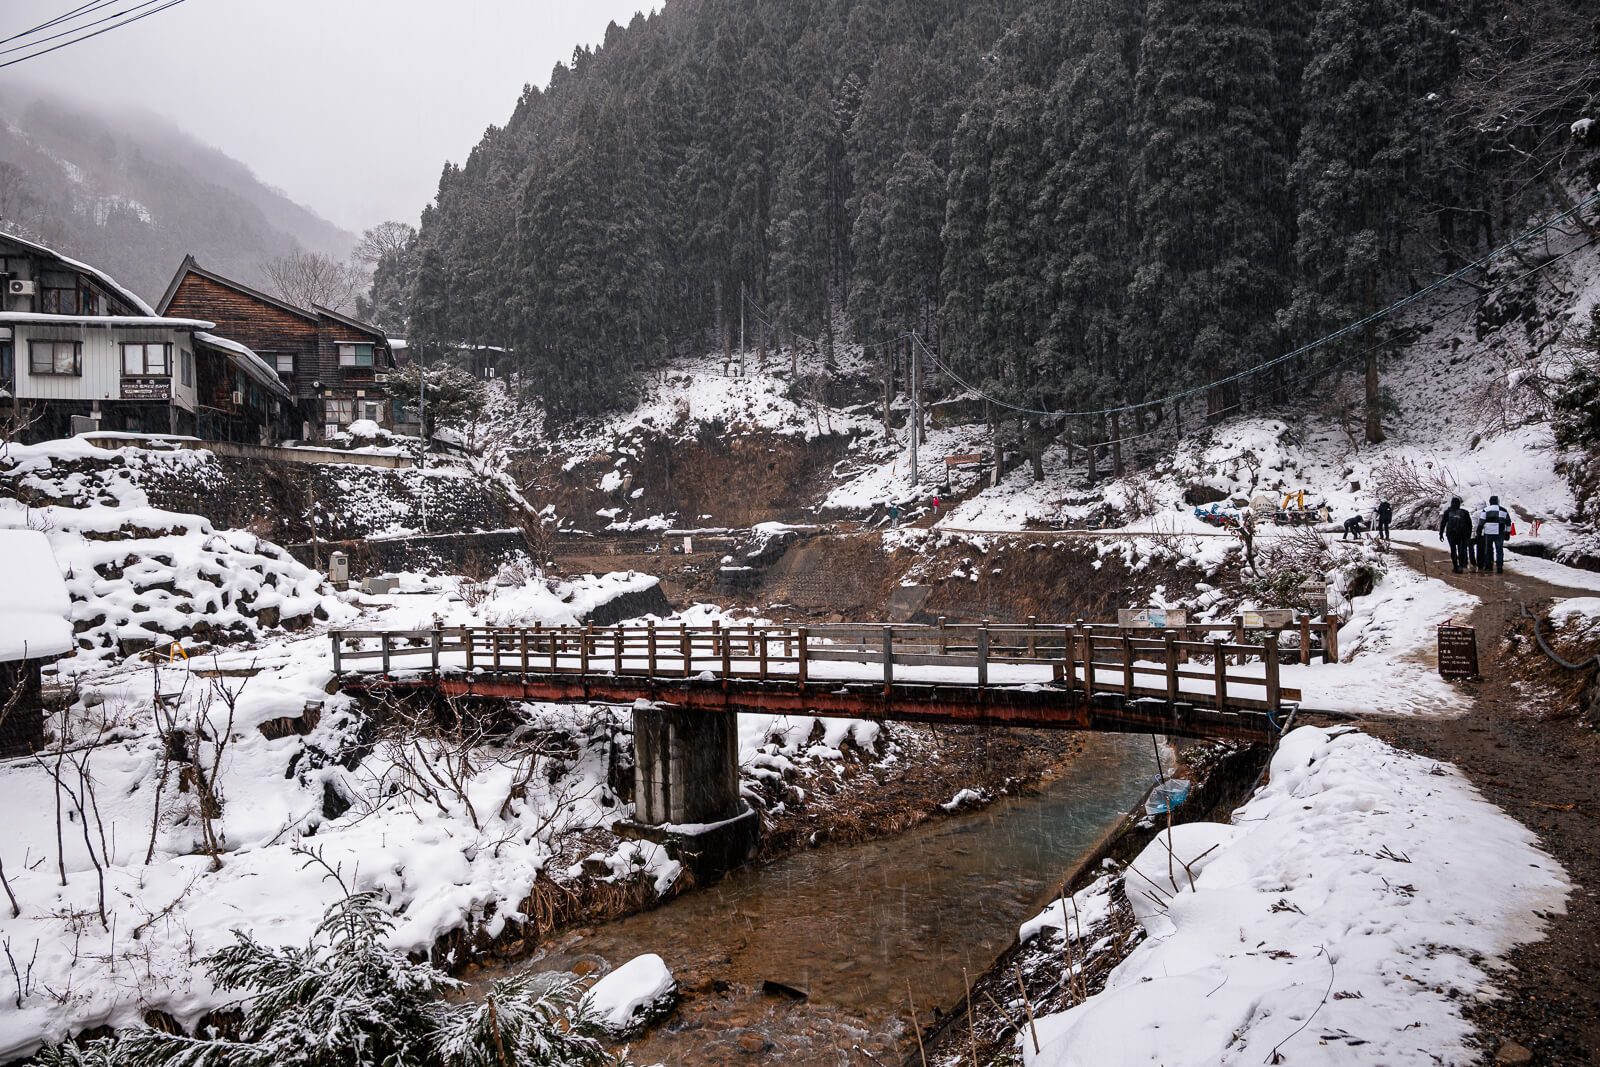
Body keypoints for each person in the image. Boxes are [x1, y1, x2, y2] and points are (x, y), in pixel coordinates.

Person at [1476, 495, 1512, 574]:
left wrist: (1479, 531)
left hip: (1488, 532)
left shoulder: (1486, 510)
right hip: (1500, 532)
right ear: (1498, 501)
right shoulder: (1504, 510)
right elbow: (1508, 522)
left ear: (1490, 502)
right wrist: (1508, 533)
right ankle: (1499, 567)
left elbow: (1481, 522)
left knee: (1488, 549)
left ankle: (1489, 566)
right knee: (1499, 550)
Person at [1438, 496, 1472, 573]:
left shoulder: (1447, 512)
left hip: (1451, 533)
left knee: (1453, 550)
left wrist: (1441, 534)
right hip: (1462, 534)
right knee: (1461, 550)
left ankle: (1455, 566)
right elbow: (1469, 525)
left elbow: (1443, 523)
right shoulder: (1464, 512)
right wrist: (1468, 536)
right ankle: (1460, 566)